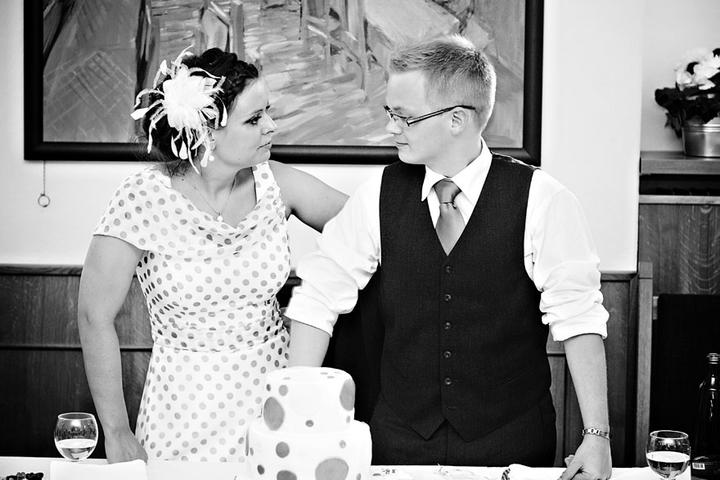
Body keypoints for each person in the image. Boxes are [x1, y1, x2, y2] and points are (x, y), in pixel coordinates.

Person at [285, 35, 613, 479]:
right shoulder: (376, 196)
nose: (391, 128)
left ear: (457, 119)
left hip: (511, 443)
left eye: (404, 117)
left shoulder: (544, 200)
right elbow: (318, 299)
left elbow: (579, 319)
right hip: (397, 442)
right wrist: (295, 414)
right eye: (389, 113)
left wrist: (596, 435)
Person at [77, 47, 347, 463]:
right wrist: (115, 432)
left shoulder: (278, 183)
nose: (271, 126)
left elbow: (368, 229)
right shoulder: (142, 198)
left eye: (268, 113)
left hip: (275, 401)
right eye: (254, 119)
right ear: (206, 132)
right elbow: (94, 315)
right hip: (180, 408)